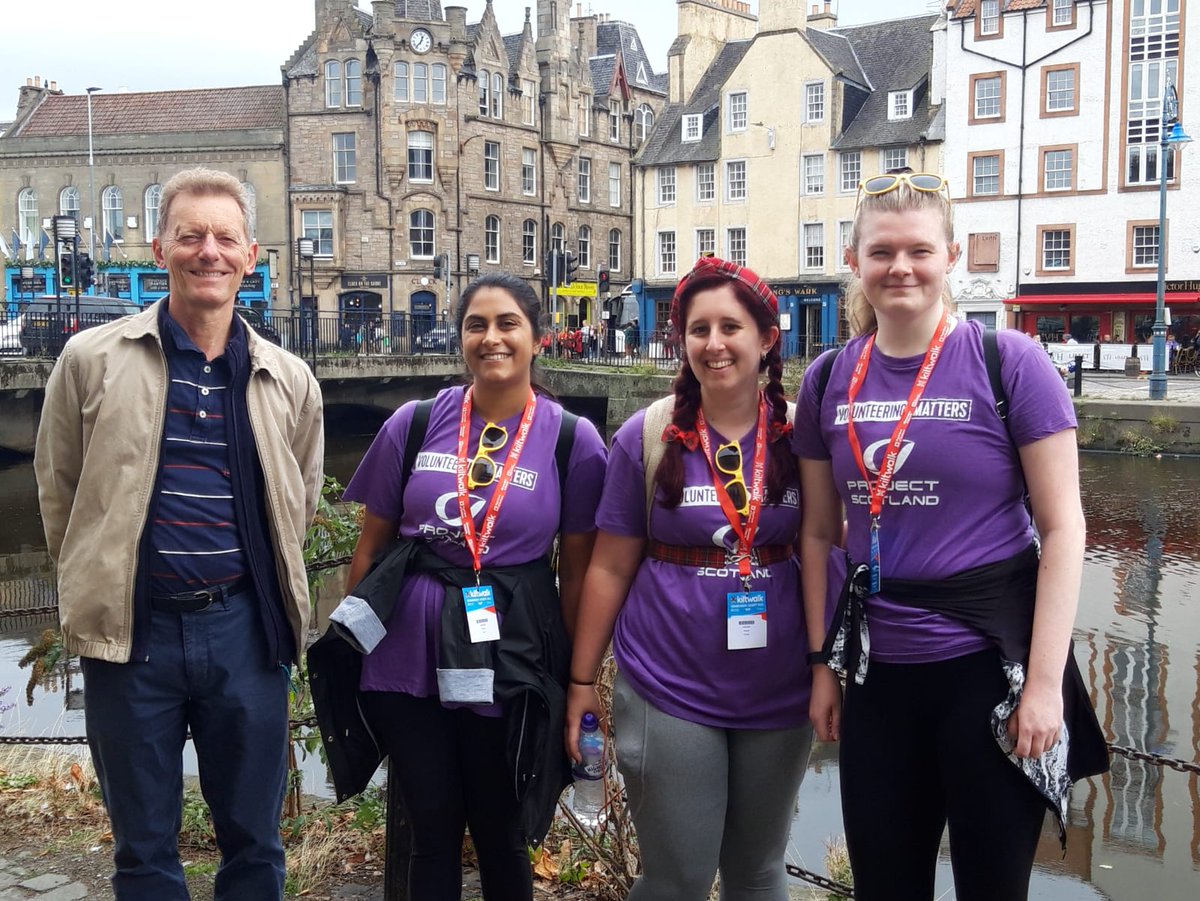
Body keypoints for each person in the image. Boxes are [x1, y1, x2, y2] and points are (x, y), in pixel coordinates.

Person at [793, 171, 1107, 900]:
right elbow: (816, 533)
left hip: (986, 676)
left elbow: (1064, 528)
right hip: (877, 680)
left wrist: (1043, 685)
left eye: (918, 250)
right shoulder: (829, 379)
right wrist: (821, 664)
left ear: (952, 256)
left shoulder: (1009, 364)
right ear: (853, 259)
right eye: (881, 251)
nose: (900, 266)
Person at [34, 167, 324, 900]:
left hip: (245, 633)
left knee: (256, 844)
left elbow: (301, 498)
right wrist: (95, 580)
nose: (208, 252)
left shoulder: (288, 380)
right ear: (160, 246)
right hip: (135, 637)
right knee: (143, 849)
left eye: (225, 237)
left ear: (251, 254)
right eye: (190, 235)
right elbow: (59, 491)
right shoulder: (91, 360)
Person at [332, 272, 606, 900]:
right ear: (460, 338)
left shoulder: (572, 441)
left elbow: (578, 576)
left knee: (501, 832)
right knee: (430, 833)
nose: (492, 338)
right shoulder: (415, 420)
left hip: (507, 660)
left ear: (538, 338)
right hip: (408, 657)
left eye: (508, 323)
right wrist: (356, 650)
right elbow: (371, 549)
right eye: (476, 325)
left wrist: (569, 678)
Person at [567, 256, 813, 900]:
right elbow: (610, 565)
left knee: (760, 873)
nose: (713, 343)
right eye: (697, 328)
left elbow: (827, 550)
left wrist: (828, 669)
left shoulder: (801, 438)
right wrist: (580, 679)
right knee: (677, 878)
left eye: (730, 326)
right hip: (668, 684)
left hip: (780, 687)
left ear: (766, 338)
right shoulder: (648, 437)